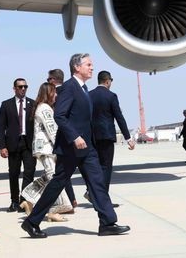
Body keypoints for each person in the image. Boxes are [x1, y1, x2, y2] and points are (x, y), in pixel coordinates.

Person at [21, 53, 130, 238]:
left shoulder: (84, 89)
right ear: (77, 67)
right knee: (57, 184)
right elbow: (60, 116)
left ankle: (107, 223)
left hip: (88, 148)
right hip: (71, 148)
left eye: (92, 65)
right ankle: (31, 222)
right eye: (88, 64)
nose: (92, 68)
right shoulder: (69, 88)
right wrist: (74, 137)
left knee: (97, 183)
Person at [20, 82, 73, 221]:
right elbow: (52, 131)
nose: (56, 95)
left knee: (47, 177)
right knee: (55, 179)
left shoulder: (43, 107)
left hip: (44, 149)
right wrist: (60, 149)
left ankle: (29, 200)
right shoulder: (44, 108)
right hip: (47, 149)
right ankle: (55, 209)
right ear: (48, 93)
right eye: (54, 92)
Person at [89, 71, 135, 200]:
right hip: (106, 136)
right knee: (106, 167)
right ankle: (103, 198)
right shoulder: (111, 96)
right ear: (108, 81)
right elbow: (119, 117)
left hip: (92, 136)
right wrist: (128, 138)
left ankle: (91, 191)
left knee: (95, 167)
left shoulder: (89, 95)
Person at [0, 78, 36, 212]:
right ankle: (14, 201)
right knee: (13, 173)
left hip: (29, 143)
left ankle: (24, 200)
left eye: (25, 86)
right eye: (20, 87)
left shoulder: (33, 104)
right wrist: (2, 146)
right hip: (13, 143)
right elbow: (1, 127)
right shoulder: (6, 105)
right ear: (14, 88)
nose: (23, 89)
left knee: (29, 173)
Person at [48, 68, 77, 208]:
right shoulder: (72, 90)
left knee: (59, 175)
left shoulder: (56, 94)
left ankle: (64, 202)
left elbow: (58, 117)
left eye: (49, 80)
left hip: (60, 139)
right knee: (64, 174)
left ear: (53, 80)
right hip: (73, 138)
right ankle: (71, 199)